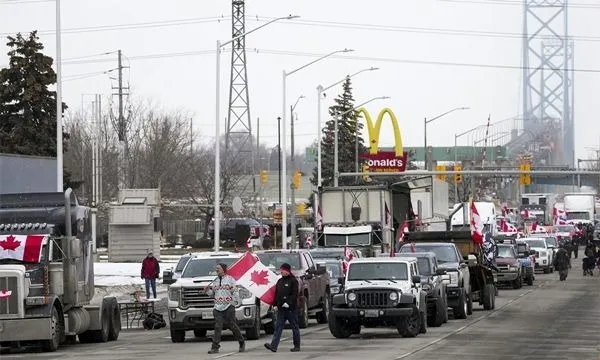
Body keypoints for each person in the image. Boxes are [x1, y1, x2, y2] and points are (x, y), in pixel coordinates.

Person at [205, 263, 245, 354]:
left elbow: (235, 292)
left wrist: (233, 303)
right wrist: (207, 290)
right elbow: (212, 294)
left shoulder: (230, 280)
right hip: (217, 308)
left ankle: (241, 342)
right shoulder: (215, 281)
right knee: (218, 326)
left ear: (223, 269)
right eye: (216, 268)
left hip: (228, 306)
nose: (217, 270)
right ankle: (215, 347)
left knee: (232, 326)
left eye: (218, 268)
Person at [264, 263, 300, 353]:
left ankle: (297, 345)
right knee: (278, 327)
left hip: (291, 309)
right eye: (281, 270)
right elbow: (277, 294)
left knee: (294, 327)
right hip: (281, 309)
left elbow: (294, 294)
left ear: (287, 270)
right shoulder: (280, 281)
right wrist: (275, 304)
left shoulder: (293, 281)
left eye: (283, 270)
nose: (281, 272)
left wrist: (288, 302)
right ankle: (274, 346)